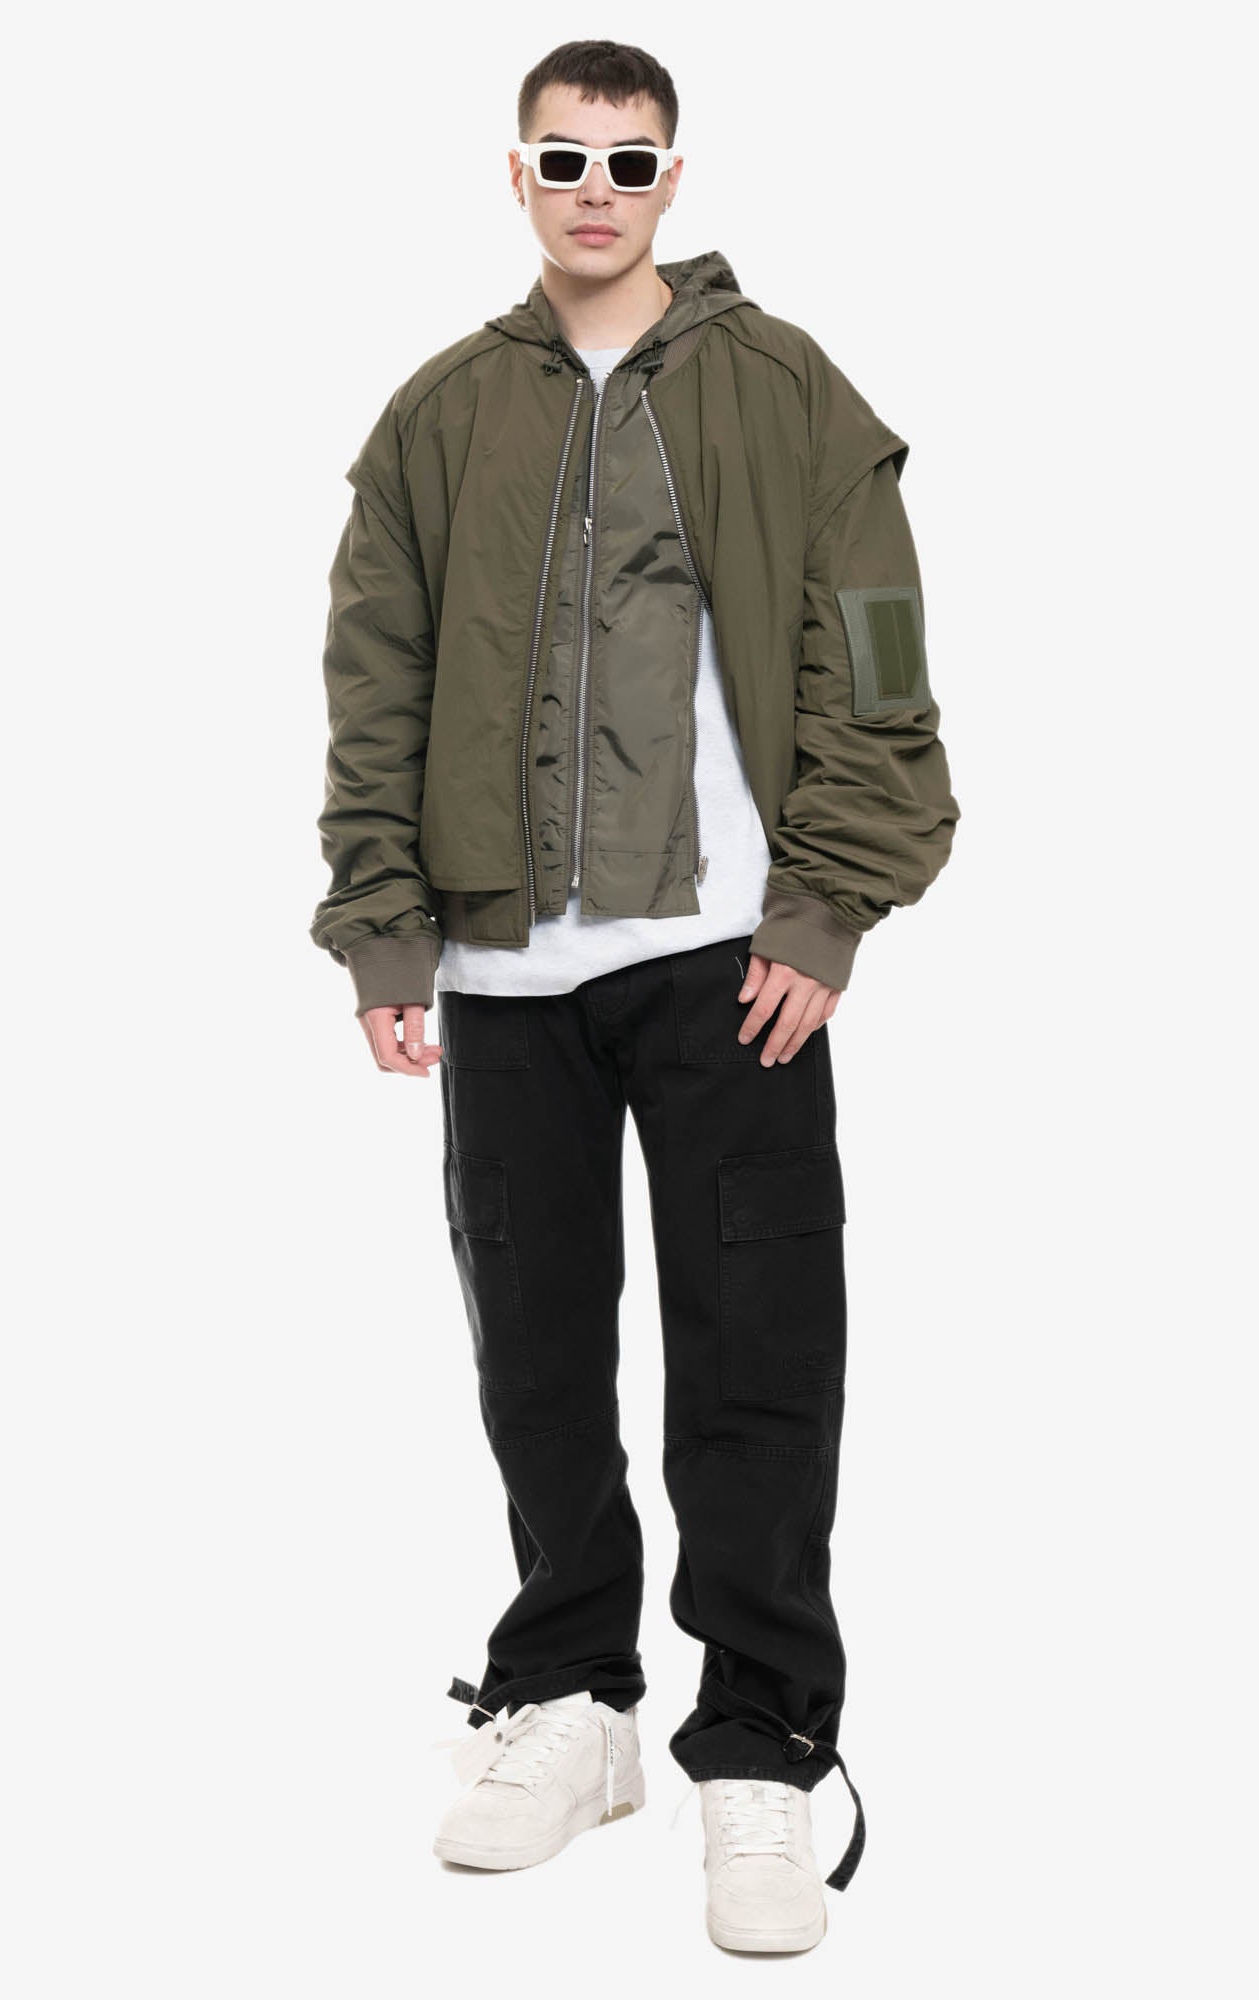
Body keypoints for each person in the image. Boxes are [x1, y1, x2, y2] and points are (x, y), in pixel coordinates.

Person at [310, 39, 957, 1955]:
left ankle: (762, 1744)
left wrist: (824, 910)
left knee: (759, 1360)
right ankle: (572, 1698)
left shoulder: (790, 393)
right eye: (561, 155)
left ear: (674, 178)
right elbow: (374, 685)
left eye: (628, 158)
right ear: (515, 174)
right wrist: (387, 928)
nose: (594, 187)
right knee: (534, 1357)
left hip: (730, 969)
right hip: (504, 976)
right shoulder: (440, 417)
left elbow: (880, 659)